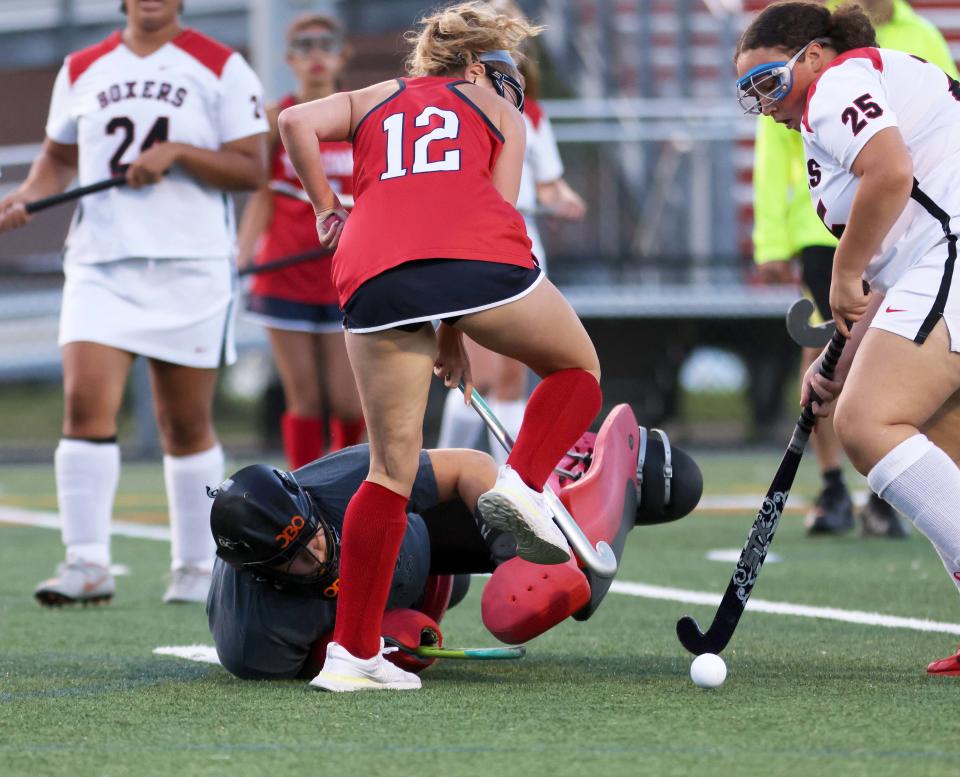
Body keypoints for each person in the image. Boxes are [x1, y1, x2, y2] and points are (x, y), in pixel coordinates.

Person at [277, 1, 603, 692]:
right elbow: (494, 211)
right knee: (578, 368)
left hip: (371, 267)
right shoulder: (502, 113)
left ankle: (352, 656)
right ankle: (520, 483)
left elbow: (294, 121)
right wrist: (461, 316)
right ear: (479, 66)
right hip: (474, 257)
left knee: (388, 469)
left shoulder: (372, 95)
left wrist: (324, 205)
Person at [0, 0, 268, 605]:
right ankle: (86, 562)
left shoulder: (220, 64)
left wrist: (181, 154)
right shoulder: (82, 66)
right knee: (84, 406)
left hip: (190, 267)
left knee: (184, 423)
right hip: (102, 264)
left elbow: (252, 168)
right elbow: (57, 160)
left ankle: (198, 567)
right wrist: (25, 197)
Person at [735, 1, 960, 675]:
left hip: (953, 253)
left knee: (866, 423)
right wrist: (842, 354)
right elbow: (902, 248)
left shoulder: (837, 84)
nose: (762, 102)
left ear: (811, 56)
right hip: (936, 261)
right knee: (941, 442)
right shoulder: (838, 98)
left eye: (768, 81)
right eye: (748, 91)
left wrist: (845, 269)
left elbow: (890, 175)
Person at [206, 407, 703, 683]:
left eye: (314, 534)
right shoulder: (252, 641)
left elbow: (469, 466)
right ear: (261, 576)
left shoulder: (340, 483)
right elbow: (314, 665)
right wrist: (374, 637)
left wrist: (516, 549)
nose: (319, 555)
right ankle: (589, 493)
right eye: (296, 559)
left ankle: (577, 484)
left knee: (535, 590)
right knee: (459, 604)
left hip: (417, 532)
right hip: (413, 587)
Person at [436, 0, 587, 465]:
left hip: (518, 243)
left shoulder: (530, 113)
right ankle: (442, 474)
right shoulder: (446, 102)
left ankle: (513, 490)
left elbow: (546, 180)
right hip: (467, 245)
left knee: (512, 378)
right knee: (475, 375)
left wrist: (562, 197)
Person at [236, 14, 364, 470]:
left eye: (325, 45)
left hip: (345, 275)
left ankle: (349, 486)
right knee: (304, 398)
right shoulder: (276, 119)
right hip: (284, 273)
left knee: (350, 403)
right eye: (304, 46)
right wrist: (242, 255)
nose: (315, 55)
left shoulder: (361, 115)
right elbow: (261, 197)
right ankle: (303, 497)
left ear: (342, 54)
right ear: (289, 59)